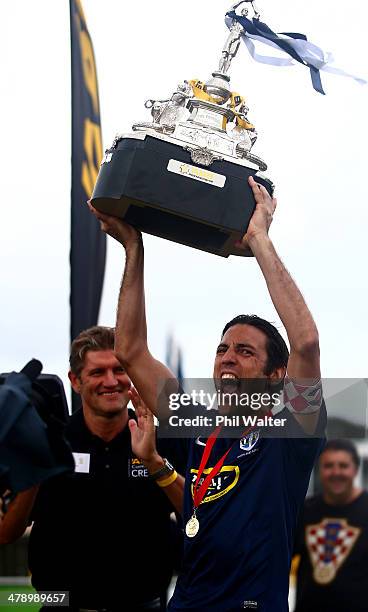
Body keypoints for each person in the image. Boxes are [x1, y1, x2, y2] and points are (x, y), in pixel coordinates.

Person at [90, 176, 326, 611]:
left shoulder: (293, 431)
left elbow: (306, 342)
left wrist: (258, 240)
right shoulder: (196, 424)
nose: (227, 357)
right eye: (222, 349)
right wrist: (133, 249)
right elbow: (130, 350)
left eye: (244, 351)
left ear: (277, 374)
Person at [0, 326, 186, 611]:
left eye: (119, 370)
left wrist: (154, 463)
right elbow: (7, 534)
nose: (110, 381)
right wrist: (37, 465)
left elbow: (201, 516)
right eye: (98, 372)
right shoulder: (50, 442)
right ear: (75, 381)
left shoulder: (159, 442)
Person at [293, 439, 368, 612]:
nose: (336, 472)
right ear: (319, 470)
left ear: (355, 470)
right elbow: (274, 561)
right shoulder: (304, 512)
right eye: (329, 465)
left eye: (343, 466)